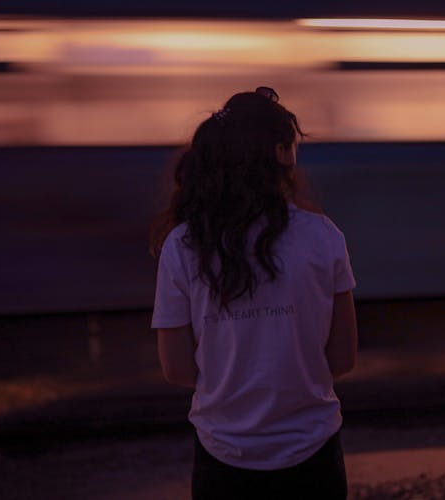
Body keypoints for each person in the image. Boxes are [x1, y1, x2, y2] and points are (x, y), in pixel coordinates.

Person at [150, 87, 358, 500]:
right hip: (312, 455)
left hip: (223, 457)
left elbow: (177, 369)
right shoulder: (324, 236)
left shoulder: (183, 245)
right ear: (282, 153)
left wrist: (232, 378)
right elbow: (342, 358)